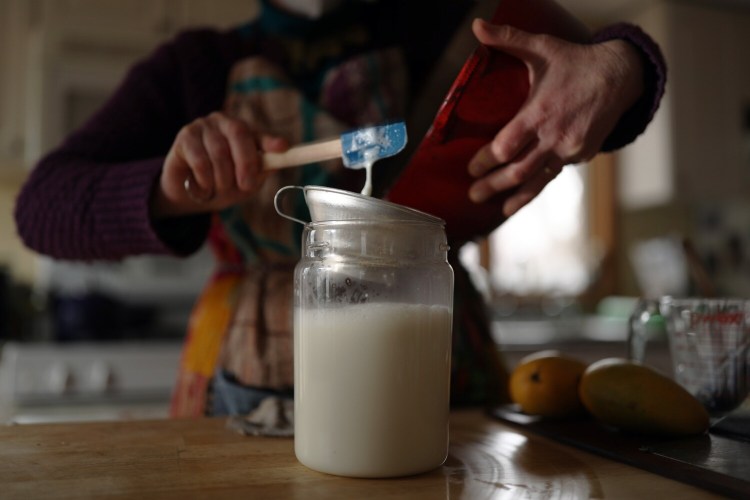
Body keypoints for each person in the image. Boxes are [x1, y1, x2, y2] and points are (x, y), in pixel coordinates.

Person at [14, 0, 666, 417]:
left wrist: (622, 65)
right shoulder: (193, 64)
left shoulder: (447, 27)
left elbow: (601, 49)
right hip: (251, 367)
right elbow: (41, 209)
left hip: (440, 357)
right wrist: (166, 186)